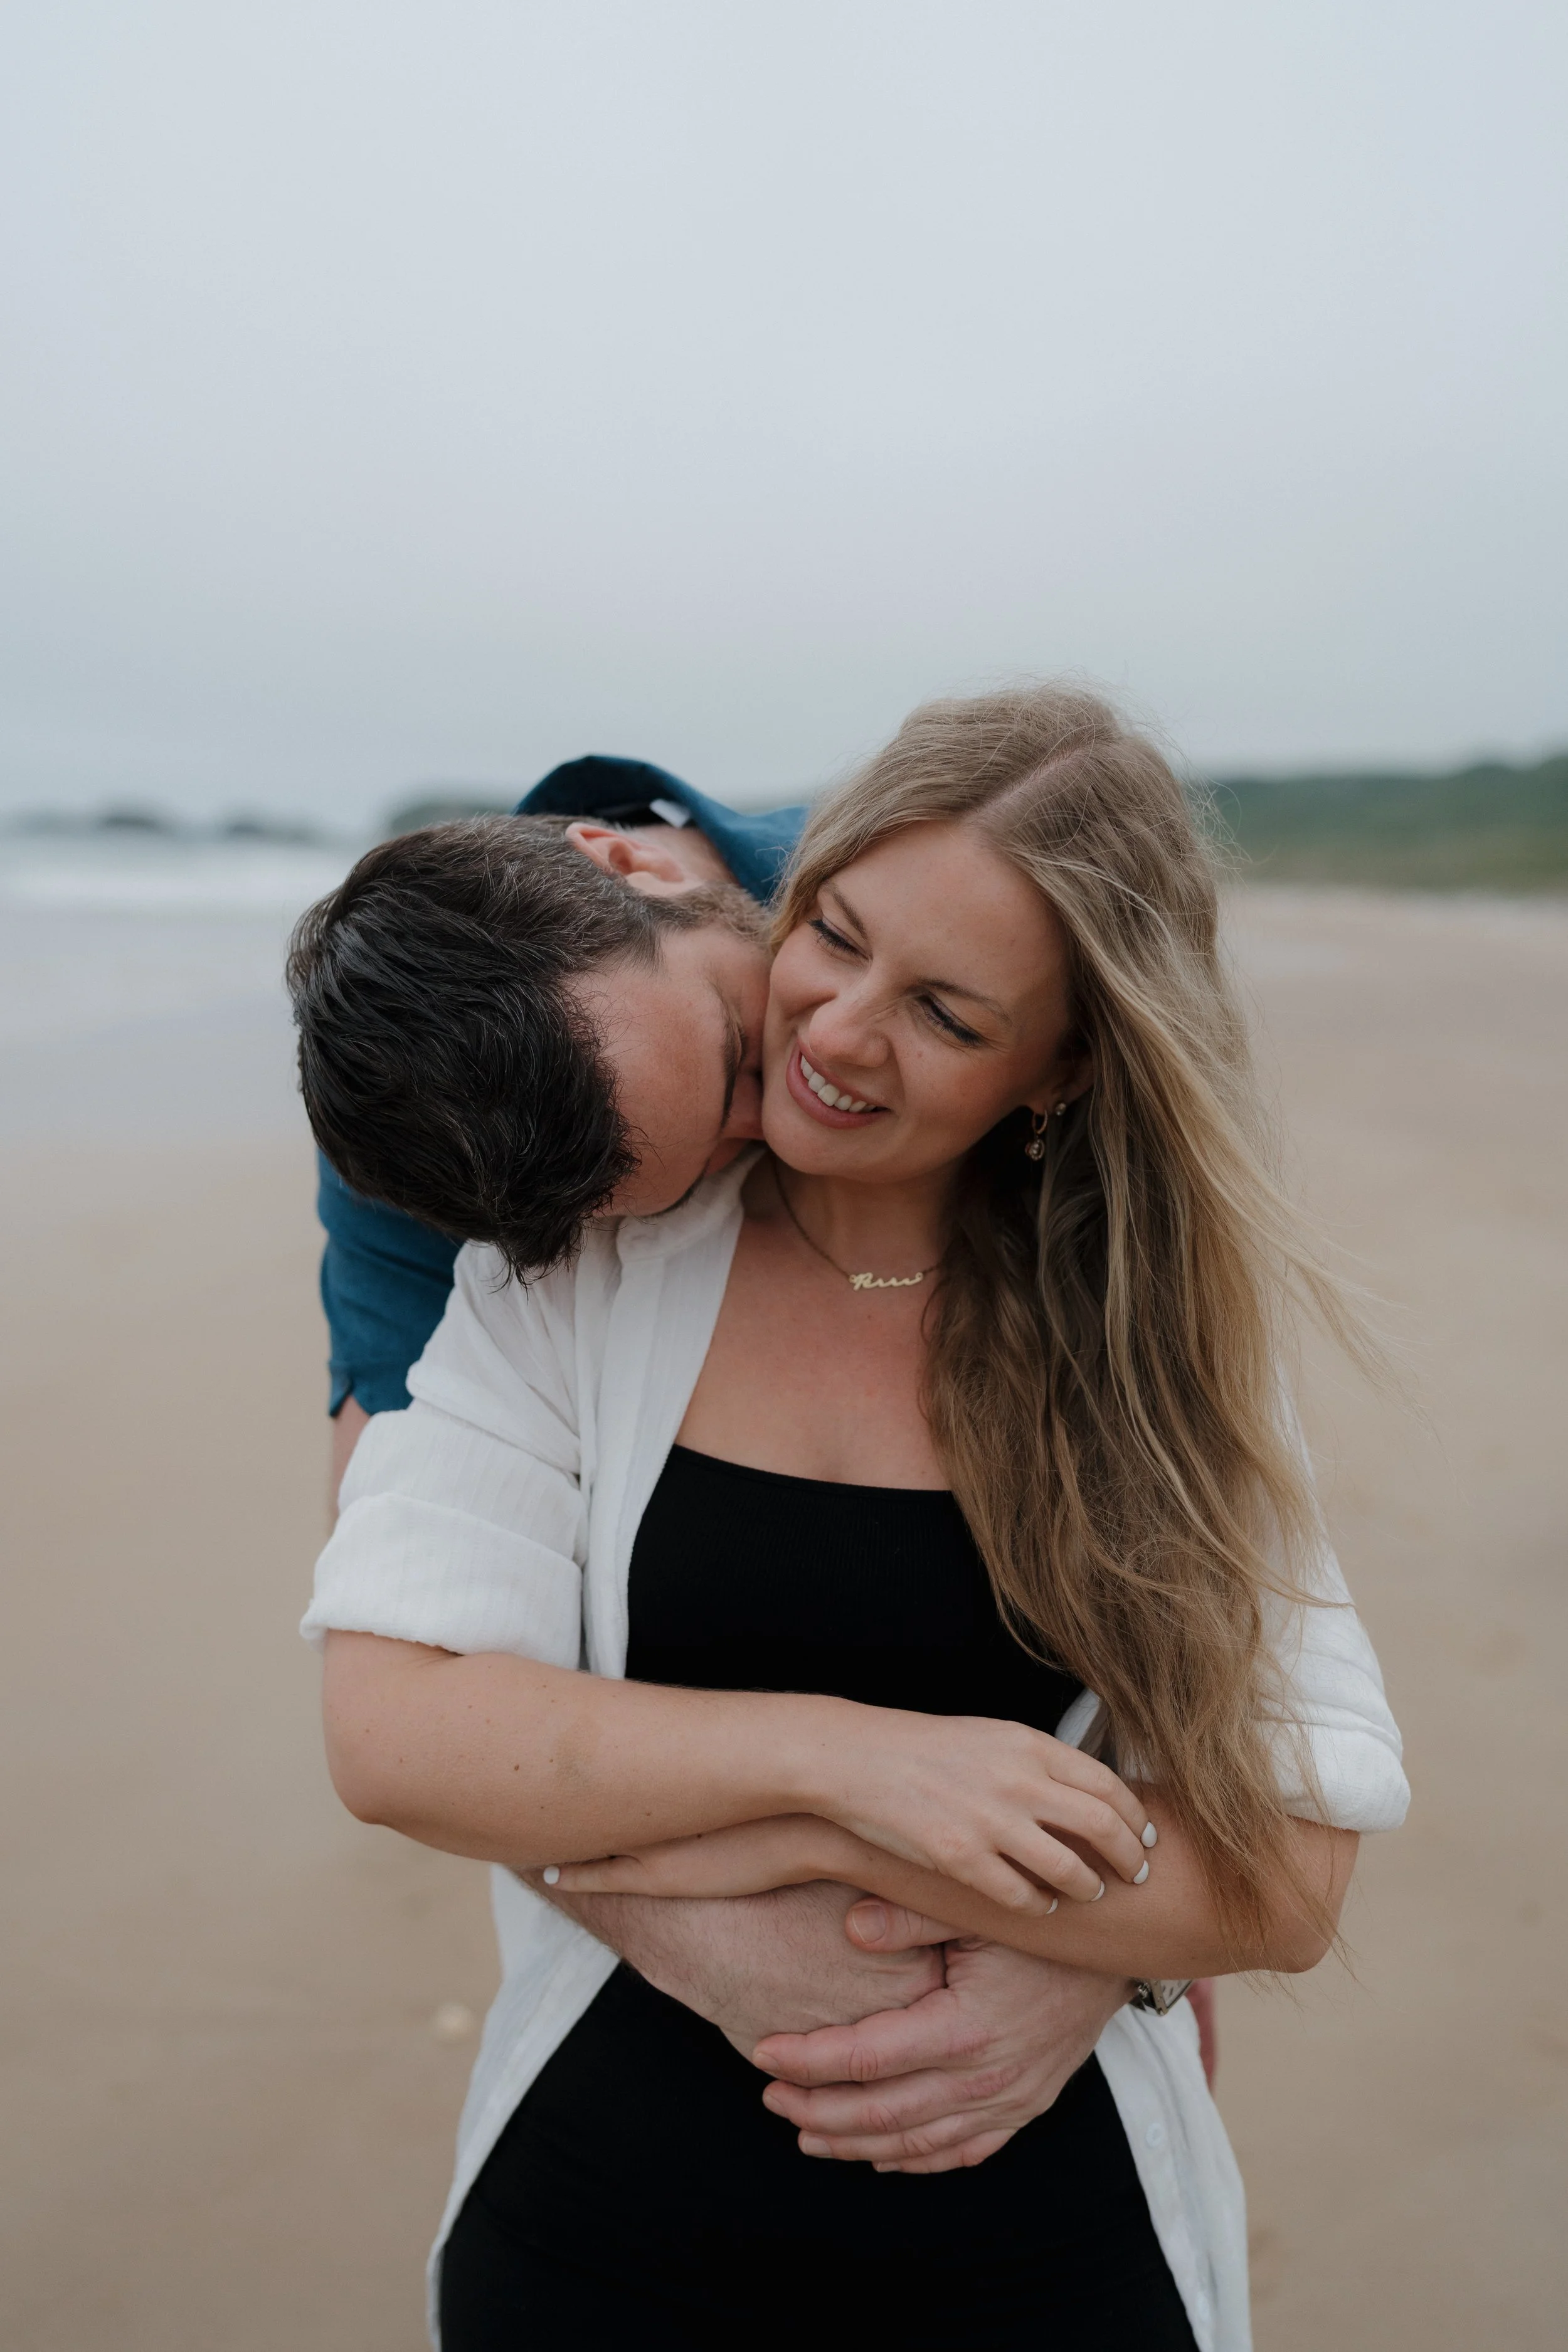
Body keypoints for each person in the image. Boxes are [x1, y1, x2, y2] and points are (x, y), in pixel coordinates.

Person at [299, 688, 1409, 2346]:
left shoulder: (1149, 1333)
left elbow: (1289, 1864)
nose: (827, 1035)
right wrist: (850, 1779)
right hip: (599, 2239)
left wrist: (1114, 1957)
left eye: (950, 1013)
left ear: (1065, 1063)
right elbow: (399, 1724)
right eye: (831, 934)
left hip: (1045, 2234)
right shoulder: (568, 1239)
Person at [292, 750, 1153, 2238]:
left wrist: (1114, 1961)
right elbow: (422, 1644)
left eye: (731, 1063)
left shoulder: (922, 892)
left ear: (632, 869)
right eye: (699, 1170)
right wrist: (685, 1935)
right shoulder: (413, 1158)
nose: (793, 1123)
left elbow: (1180, 1493)